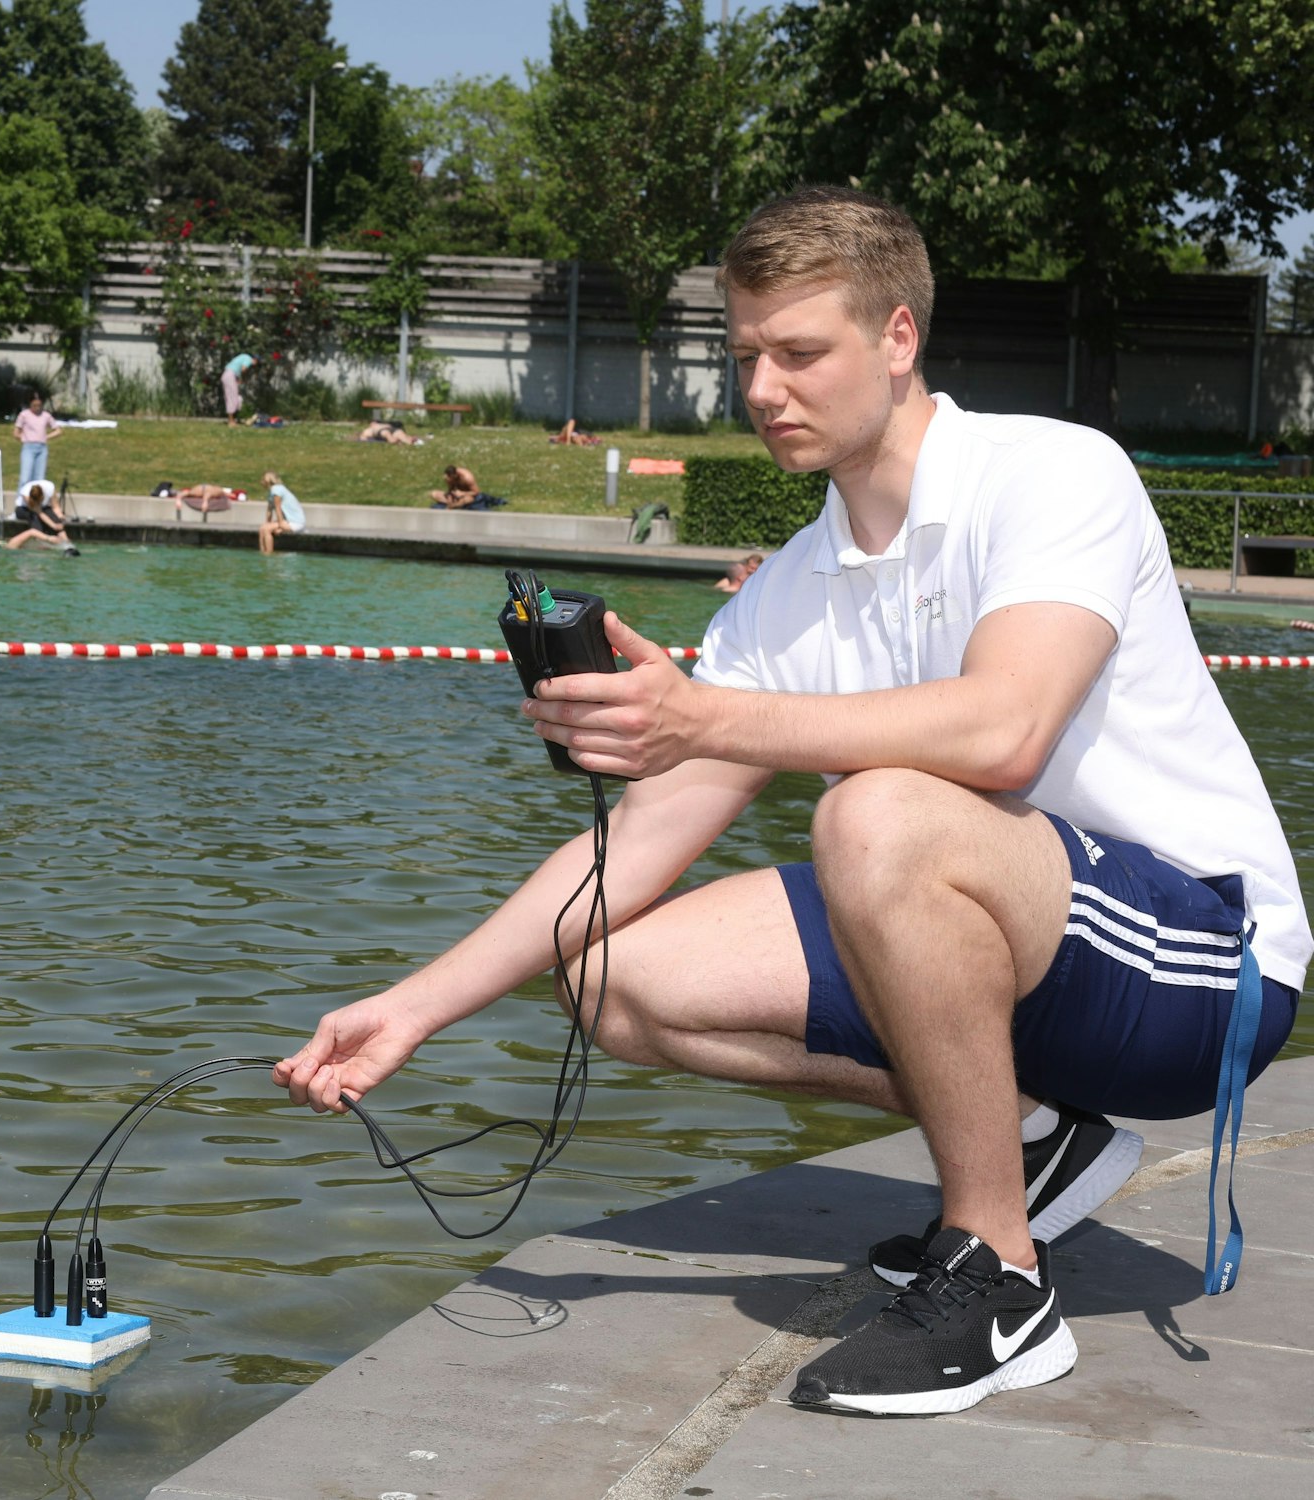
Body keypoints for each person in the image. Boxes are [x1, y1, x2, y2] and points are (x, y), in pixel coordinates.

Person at [274, 185, 1307, 1420]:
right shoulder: (786, 597)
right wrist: (407, 1011)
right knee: (607, 976)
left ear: (896, 339)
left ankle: (997, 1280)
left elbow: (1005, 725)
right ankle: (1037, 1137)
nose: (761, 388)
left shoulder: (1049, 474)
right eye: (744, 352)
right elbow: (635, 841)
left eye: (798, 352)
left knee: (873, 812)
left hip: (1199, 962)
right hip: (1028, 947)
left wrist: (708, 716)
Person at [0, 479, 79, 554]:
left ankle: (66, 542)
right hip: (23, 510)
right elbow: (39, 515)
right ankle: (41, 542)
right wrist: (51, 535)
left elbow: (55, 507)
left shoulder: (49, 488)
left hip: (42, 510)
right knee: (35, 517)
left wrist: (60, 519)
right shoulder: (26, 494)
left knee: (53, 516)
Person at [14, 392, 62, 490]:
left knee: (39, 479)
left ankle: (37, 502)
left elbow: (58, 430)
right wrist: (24, 438)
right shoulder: (24, 415)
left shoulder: (46, 415)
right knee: (25, 478)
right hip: (28, 447)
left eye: (39, 405)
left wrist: (46, 437)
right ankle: (21, 502)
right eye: (34, 405)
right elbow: (16, 433)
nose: (37, 408)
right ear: (30, 404)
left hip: (42, 448)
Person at [258, 471, 305, 555]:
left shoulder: (277, 489)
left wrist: (281, 524)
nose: (262, 481)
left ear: (268, 480)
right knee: (262, 528)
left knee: (266, 529)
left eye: (263, 479)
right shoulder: (271, 492)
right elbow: (269, 510)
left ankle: (268, 553)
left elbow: (277, 507)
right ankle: (262, 552)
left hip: (295, 522)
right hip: (286, 520)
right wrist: (267, 523)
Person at [171, 483, 246, 522]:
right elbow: (186, 493)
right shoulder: (197, 492)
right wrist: (178, 500)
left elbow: (208, 494)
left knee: (221, 492)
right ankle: (228, 493)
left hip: (209, 489)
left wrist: (205, 502)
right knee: (222, 492)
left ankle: (228, 493)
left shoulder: (215, 491)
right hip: (204, 489)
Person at [222, 353, 255, 426]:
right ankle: (231, 421)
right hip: (230, 376)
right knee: (232, 398)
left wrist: (238, 378)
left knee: (237, 398)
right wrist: (242, 378)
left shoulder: (244, 356)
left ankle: (233, 419)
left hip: (228, 375)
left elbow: (236, 368)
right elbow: (243, 369)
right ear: (255, 360)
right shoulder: (248, 359)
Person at [356, 419, 426, 446]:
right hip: (388, 430)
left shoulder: (373, 427)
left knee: (394, 434)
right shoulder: (371, 428)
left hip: (387, 430)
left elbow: (363, 437)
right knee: (396, 434)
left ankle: (404, 441)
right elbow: (363, 437)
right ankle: (409, 440)